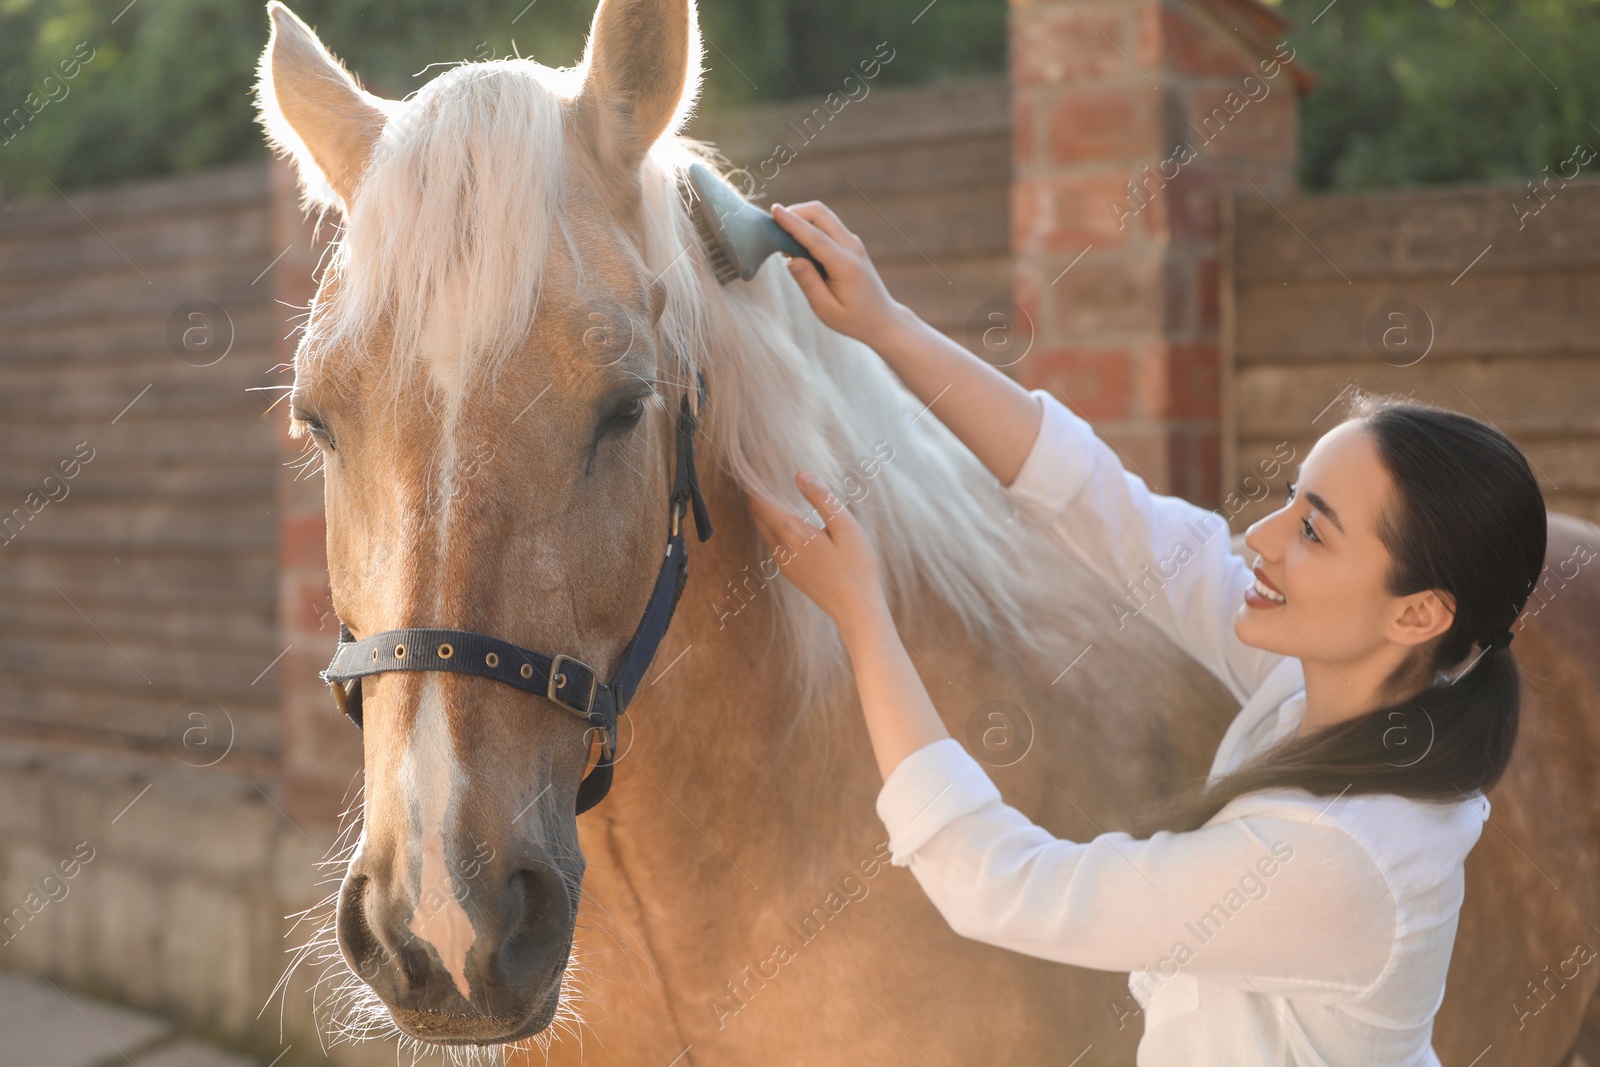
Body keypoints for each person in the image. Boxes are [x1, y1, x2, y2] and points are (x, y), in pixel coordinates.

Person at [745, 199, 1548, 1066]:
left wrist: (865, 619)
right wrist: (887, 326)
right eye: (1290, 500)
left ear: (1419, 612)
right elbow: (1107, 507)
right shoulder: (1336, 690)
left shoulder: (1340, 859)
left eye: (1314, 531)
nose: (1263, 538)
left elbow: (1006, 885)